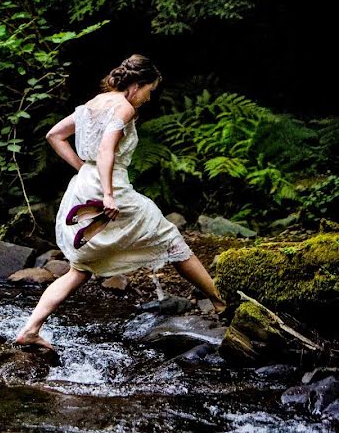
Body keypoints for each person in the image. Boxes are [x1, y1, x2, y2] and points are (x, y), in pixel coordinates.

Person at [15, 54, 225, 349]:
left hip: (86, 185)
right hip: (109, 188)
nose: (149, 98)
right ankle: (219, 303)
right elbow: (105, 150)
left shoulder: (92, 103)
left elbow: (55, 135)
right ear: (137, 85)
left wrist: (82, 169)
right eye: (150, 90)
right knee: (171, 238)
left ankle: (31, 328)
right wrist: (110, 193)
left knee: (80, 269)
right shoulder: (124, 108)